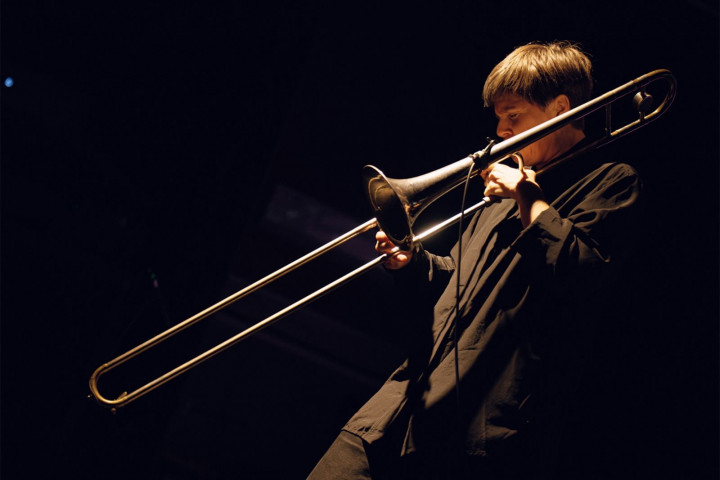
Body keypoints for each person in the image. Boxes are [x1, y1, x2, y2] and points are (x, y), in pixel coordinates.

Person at [307, 41, 643, 479]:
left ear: (560, 108)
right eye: (499, 117)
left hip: (475, 433)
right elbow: (456, 284)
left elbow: (579, 271)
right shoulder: (504, 192)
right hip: (400, 407)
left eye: (513, 115)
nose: (501, 130)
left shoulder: (611, 181)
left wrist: (527, 196)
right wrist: (413, 262)